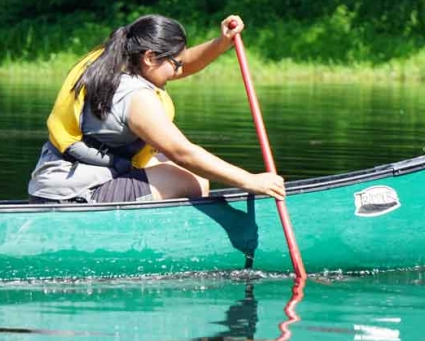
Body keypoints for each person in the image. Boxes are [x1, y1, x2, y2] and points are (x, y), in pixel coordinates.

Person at [27, 14, 286, 204]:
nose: (179, 71)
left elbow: (183, 64)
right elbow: (183, 152)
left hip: (53, 185)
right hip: (73, 197)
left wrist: (221, 42)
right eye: (175, 64)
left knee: (172, 167)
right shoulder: (136, 96)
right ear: (150, 57)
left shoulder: (113, 62)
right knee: (191, 179)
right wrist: (251, 181)